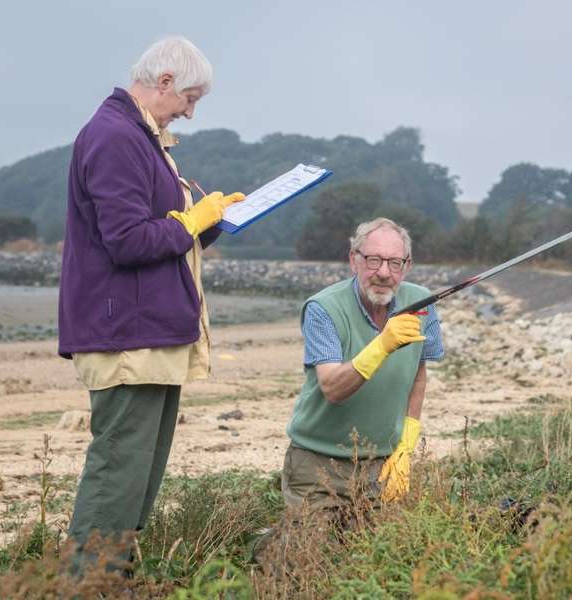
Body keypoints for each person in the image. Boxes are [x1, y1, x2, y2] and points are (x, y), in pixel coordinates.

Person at [58, 36, 245, 571]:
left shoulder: (142, 136)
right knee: (119, 468)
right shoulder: (115, 136)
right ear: (163, 82)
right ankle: (85, 583)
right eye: (189, 97)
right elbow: (126, 240)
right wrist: (191, 220)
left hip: (150, 330)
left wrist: (213, 224)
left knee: (140, 470)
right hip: (126, 335)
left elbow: (164, 239)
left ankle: (113, 575)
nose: (190, 110)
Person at [282, 217, 444, 520]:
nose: (383, 273)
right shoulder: (323, 308)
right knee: (310, 558)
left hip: (382, 463)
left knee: (376, 558)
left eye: (394, 263)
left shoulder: (422, 302)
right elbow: (332, 388)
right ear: (353, 260)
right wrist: (382, 345)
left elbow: (417, 377)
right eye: (373, 260)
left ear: (407, 266)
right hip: (316, 463)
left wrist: (405, 451)